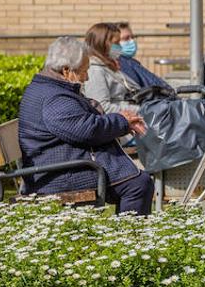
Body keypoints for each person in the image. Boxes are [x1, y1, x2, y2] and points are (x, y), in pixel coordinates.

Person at [17, 36, 154, 214]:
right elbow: (88, 130)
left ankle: (128, 235)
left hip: (65, 163)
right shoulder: (54, 98)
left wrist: (116, 118)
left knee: (137, 180)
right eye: (83, 71)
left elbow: (83, 123)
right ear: (66, 70)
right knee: (137, 185)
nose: (87, 77)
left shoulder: (51, 88)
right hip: (57, 175)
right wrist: (122, 121)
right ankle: (129, 237)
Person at [83, 22, 141, 111]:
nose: (120, 47)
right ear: (102, 44)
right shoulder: (95, 70)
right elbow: (102, 107)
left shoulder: (109, 66)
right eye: (116, 43)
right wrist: (141, 110)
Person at [110, 20, 173, 93]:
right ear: (114, 42)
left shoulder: (129, 62)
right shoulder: (120, 63)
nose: (132, 41)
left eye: (132, 37)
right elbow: (156, 85)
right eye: (126, 38)